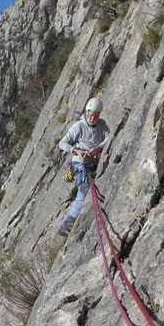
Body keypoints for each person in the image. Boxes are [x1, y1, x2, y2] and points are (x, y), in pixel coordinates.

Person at [58, 97, 110, 237]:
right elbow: (62, 143)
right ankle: (65, 227)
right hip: (80, 163)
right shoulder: (79, 126)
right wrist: (76, 151)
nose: (93, 118)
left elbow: (109, 137)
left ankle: (66, 225)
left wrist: (98, 148)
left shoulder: (101, 124)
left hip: (94, 161)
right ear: (86, 111)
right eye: (91, 114)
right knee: (84, 192)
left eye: (96, 115)